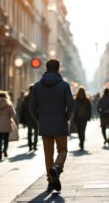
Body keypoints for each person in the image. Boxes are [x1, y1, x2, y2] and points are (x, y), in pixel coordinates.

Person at [29, 59, 74, 192]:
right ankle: (57, 166)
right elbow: (71, 105)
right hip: (60, 123)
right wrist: (66, 117)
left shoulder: (37, 86)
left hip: (44, 124)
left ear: (46, 68)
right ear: (58, 69)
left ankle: (51, 180)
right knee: (62, 150)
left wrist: (39, 119)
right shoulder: (64, 85)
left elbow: (31, 106)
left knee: (48, 154)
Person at [0, 91, 16, 160]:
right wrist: (10, 117)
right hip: (7, 123)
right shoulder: (8, 104)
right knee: (6, 139)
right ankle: (5, 150)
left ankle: (0, 152)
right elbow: (13, 113)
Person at [20, 85, 39, 152]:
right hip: (36, 117)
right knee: (36, 132)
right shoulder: (37, 97)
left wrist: (22, 119)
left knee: (29, 132)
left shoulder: (26, 98)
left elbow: (22, 109)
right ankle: (35, 146)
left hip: (28, 117)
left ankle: (30, 146)